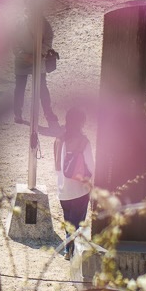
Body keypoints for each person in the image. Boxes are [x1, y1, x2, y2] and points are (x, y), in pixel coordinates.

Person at [54, 107, 94, 258]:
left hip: (63, 189)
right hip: (80, 189)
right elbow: (91, 166)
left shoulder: (58, 139)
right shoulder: (84, 142)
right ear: (82, 123)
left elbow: (57, 166)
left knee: (68, 220)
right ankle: (73, 252)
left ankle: (67, 250)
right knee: (78, 223)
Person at [13, 14, 57, 126]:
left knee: (42, 87)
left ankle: (48, 112)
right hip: (22, 61)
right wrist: (24, 56)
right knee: (20, 88)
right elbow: (14, 43)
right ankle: (17, 112)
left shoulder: (44, 23)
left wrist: (39, 54)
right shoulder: (19, 22)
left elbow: (48, 40)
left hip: (39, 60)